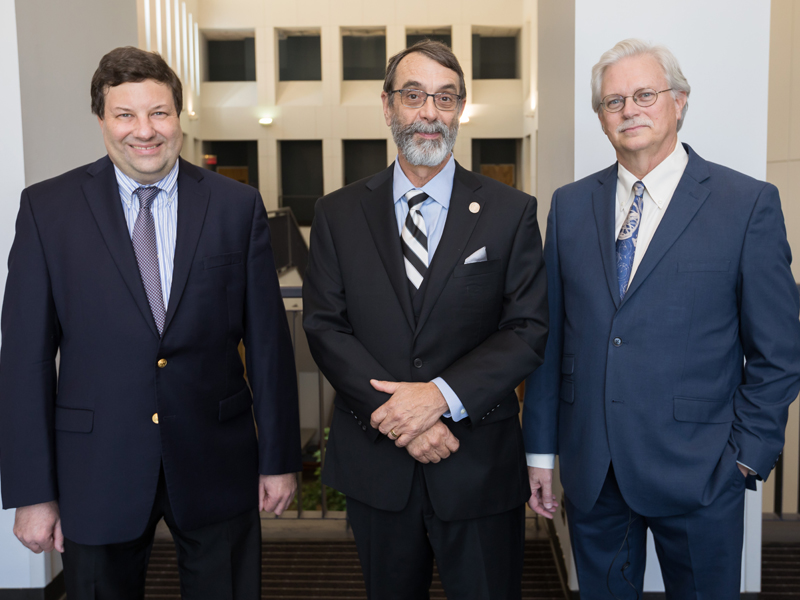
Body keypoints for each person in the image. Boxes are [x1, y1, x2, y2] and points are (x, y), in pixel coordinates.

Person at [0, 46, 301, 600]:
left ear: (179, 117)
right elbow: (25, 361)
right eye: (126, 115)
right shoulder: (48, 210)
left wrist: (280, 460)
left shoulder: (237, 207)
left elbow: (268, 347)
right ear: (102, 121)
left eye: (159, 113)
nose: (145, 131)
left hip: (216, 462)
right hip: (96, 472)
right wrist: (32, 492)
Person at [523, 38, 800, 598]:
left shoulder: (746, 204)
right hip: (593, 474)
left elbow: (778, 352)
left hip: (703, 473)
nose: (629, 110)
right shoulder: (570, 206)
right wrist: (542, 452)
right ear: (601, 117)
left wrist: (745, 459)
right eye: (613, 101)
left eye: (645, 94)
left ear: (680, 101)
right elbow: (554, 346)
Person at [302, 40, 550, 599]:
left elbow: (527, 329)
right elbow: (324, 326)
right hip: (377, 467)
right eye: (413, 95)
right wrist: (399, 417)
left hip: (478, 468)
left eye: (445, 97)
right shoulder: (338, 214)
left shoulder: (511, 213)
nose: (429, 112)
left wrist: (438, 397)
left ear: (461, 108)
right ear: (388, 106)